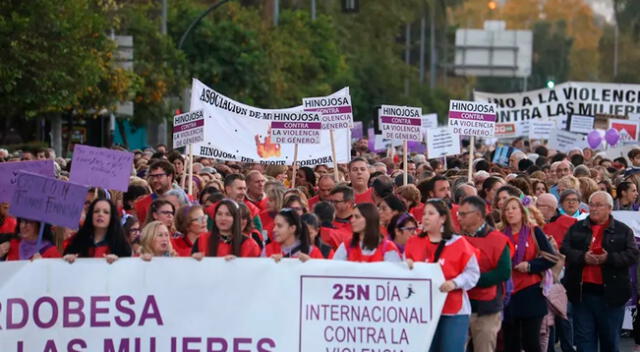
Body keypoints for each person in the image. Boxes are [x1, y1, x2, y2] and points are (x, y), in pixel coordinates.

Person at [561, 191, 639, 352]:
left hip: (611, 295)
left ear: (610, 208)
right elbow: (565, 249)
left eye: (599, 205)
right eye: (592, 205)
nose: (594, 209)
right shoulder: (577, 227)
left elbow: (632, 255)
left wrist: (608, 258)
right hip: (582, 294)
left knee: (609, 341)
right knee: (584, 342)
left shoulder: (623, 230)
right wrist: (583, 257)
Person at [405, 199, 480, 352]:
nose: (425, 217)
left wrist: (455, 283)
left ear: (443, 218)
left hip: (453, 311)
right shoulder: (413, 243)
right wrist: (406, 266)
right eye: (424, 213)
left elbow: (473, 273)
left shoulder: (459, 243)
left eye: (431, 213)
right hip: (423, 310)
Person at [499, 196, 556, 352]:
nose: (510, 212)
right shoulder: (500, 234)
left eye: (514, 208)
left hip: (530, 291)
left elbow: (551, 258)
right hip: (508, 292)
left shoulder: (534, 231)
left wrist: (530, 265)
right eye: (507, 209)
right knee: (511, 342)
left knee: (531, 342)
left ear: (522, 212)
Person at [457, 196, 511, 352]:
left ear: (478, 215)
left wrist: (471, 280)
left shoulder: (498, 240)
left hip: (487, 307)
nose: (460, 218)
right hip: (460, 305)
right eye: (459, 214)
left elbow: (503, 272)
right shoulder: (457, 238)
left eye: (464, 214)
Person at [64, 199, 132, 263]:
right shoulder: (76, 241)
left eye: (106, 212)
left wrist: (118, 262)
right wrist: (68, 259)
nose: (100, 214)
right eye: (96, 211)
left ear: (112, 217)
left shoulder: (121, 244)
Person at [192, 199, 260, 259]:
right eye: (219, 214)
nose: (223, 218)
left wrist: (237, 264)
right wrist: (194, 260)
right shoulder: (202, 240)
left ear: (236, 218)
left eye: (228, 214)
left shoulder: (250, 245)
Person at [333, 203, 401, 262]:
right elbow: (334, 269)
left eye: (357, 217)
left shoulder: (388, 248)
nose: (352, 220)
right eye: (352, 217)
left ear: (369, 219)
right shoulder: (346, 245)